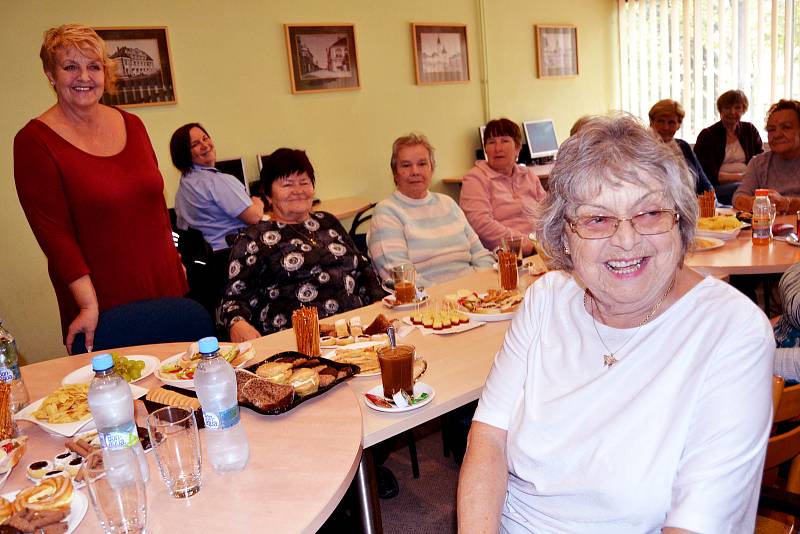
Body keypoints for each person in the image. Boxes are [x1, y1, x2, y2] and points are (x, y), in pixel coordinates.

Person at [457, 115, 773, 533]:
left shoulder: (731, 331)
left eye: (648, 213)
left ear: (679, 221)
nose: (625, 240)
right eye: (597, 219)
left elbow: (699, 523)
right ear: (564, 236)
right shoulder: (546, 299)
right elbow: (488, 439)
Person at [13, 23, 187, 353]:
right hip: (102, 301)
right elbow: (55, 236)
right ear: (51, 74)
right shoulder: (34, 142)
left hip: (164, 283)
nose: (85, 76)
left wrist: (175, 261)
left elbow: (154, 204)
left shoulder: (133, 125)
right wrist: (88, 305)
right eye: (70, 66)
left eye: (94, 66)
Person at [219, 148, 383, 341]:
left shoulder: (328, 222)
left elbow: (363, 268)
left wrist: (379, 303)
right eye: (287, 184)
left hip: (355, 331)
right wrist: (237, 323)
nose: (298, 191)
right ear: (269, 194)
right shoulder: (254, 238)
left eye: (304, 182)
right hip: (298, 341)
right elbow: (233, 300)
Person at [368, 134, 494, 288]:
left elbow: (480, 254)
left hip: (473, 293)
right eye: (406, 165)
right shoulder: (386, 212)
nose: (415, 171)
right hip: (429, 302)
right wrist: (447, 294)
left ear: (432, 168)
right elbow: (400, 276)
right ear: (395, 173)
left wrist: (480, 285)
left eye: (422, 164)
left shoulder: (448, 203)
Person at [170, 123, 264, 251]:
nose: (204, 145)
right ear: (184, 154)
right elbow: (253, 217)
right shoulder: (216, 181)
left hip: (208, 259)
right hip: (234, 254)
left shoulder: (184, 186)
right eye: (195, 144)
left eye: (205, 138)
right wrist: (258, 202)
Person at [459, 119, 547, 253]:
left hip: (541, 248)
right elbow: (480, 224)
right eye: (491, 142)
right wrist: (525, 244)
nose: (497, 148)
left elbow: (548, 212)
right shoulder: (475, 179)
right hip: (506, 254)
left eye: (504, 141)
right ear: (485, 150)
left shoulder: (528, 175)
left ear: (517, 147)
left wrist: (546, 241)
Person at [694, 89, 763, 205]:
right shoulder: (707, 135)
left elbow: (761, 161)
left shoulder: (750, 130)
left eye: (737, 108)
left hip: (748, 183)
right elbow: (707, 174)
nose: (732, 112)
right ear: (720, 110)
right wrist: (741, 177)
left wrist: (750, 178)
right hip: (717, 188)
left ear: (743, 109)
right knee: (741, 190)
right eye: (727, 108)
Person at [732, 99, 800, 213]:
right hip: (767, 229)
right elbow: (738, 197)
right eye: (771, 129)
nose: (777, 135)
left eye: (786, 127)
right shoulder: (758, 163)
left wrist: (787, 204)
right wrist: (752, 203)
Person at [648, 99, 713, 194]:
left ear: (678, 125)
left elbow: (704, 184)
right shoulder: (644, 147)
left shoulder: (683, 146)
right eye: (660, 121)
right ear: (651, 122)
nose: (666, 127)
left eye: (671, 122)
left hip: (693, 202)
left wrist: (711, 197)